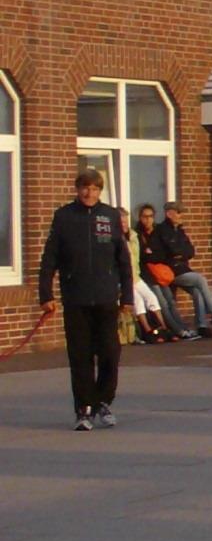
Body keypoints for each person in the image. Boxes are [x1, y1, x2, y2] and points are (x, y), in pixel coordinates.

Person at [38, 166, 130, 430]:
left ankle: (103, 401)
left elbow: (123, 260)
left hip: (106, 297)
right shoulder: (64, 216)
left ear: (100, 191)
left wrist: (127, 297)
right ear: (77, 189)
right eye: (85, 188)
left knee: (110, 353)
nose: (89, 193)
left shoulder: (110, 216)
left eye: (95, 189)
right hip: (75, 297)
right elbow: (50, 258)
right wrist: (46, 294)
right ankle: (84, 409)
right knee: (80, 356)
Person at [146, 201, 212, 333]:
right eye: (178, 212)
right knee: (200, 280)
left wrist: (180, 254)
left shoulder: (180, 231)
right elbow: (170, 251)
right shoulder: (161, 231)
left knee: (197, 291)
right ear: (169, 214)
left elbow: (190, 251)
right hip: (171, 271)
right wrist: (178, 253)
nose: (181, 215)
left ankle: (202, 325)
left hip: (182, 269)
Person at [130, 205, 195, 341]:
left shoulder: (158, 232)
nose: (148, 220)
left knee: (170, 300)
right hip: (147, 274)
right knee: (161, 302)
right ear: (140, 218)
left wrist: (152, 254)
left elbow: (164, 253)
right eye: (145, 217)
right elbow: (142, 257)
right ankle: (176, 330)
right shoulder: (138, 234)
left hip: (160, 272)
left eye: (150, 216)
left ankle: (182, 327)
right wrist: (151, 254)